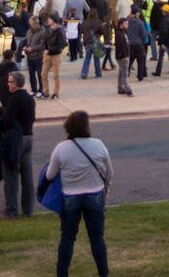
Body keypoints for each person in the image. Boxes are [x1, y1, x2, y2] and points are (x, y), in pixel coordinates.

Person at [46, 110, 113, 277]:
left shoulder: (61, 148)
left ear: (68, 127)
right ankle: (103, 273)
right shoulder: (98, 144)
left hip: (70, 196)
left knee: (68, 237)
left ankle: (62, 273)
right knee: (97, 237)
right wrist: (106, 186)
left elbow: (49, 175)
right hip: (94, 194)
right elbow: (109, 172)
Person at [0, 70, 35, 218]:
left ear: (16, 83)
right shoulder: (29, 98)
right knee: (27, 176)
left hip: (16, 140)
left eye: (10, 82)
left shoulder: (14, 99)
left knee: (11, 175)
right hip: (28, 137)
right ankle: (28, 210)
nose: (8, 84)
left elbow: (7, 121)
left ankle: (11, 210)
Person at [42, 13, 67, 99]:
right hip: (48, 54)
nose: (48, 21)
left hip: (56, 54)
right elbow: (45, 40)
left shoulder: (59, 30)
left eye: (49, 19)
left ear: (53, 20)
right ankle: (45, 92)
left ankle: (56, 93)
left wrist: (51, 50)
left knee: (56, 75)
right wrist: (45, 48)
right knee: (43, 74)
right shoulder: (47, 29)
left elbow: (63, 43)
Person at [25, 15, 46, 97]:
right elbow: (27, 41)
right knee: (31, 74)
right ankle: (33, 89)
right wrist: (26, 47)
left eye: (34, 24)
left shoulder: (42, 31)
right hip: (29, 56)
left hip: (39, 56)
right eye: (32, 24)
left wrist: (32, 48)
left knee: (40, 74)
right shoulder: (29, 31)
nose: (33, 26)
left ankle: (41, 90)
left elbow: (42, 44)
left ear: (37, 23)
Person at [80, 9, 104, 80]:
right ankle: (98, 74)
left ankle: (84, 73)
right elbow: (102, 31)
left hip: (87, 42)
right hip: (95, 41)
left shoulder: (85, 22)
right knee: (96, 59)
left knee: (87, 58)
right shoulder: (98, 21)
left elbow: (81, 31)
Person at [115, 18, 132, 96]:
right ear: (121, 24)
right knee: (125, 73)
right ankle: (127, 88)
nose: (127, 25)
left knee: (122, 72)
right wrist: (124, 54)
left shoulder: (123, 33)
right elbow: (120, 46)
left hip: (123, 55)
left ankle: (120, 87)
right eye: (125, 24)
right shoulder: (119, 34)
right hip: (123, 56)